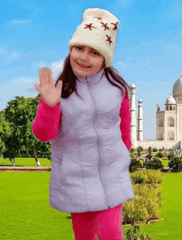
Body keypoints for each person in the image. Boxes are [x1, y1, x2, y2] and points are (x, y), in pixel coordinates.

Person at [32, 8, 134, 240]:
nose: (84, 57)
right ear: (71, 49)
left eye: (95, 52)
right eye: (79, 48)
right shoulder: (60, 85)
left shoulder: (117, 87)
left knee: (111, 233)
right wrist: (49, 105)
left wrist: (120, 156)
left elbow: (124, 129)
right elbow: (43, 134)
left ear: (105, 58)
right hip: (76, 177)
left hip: (111, 175)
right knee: (84, 236)